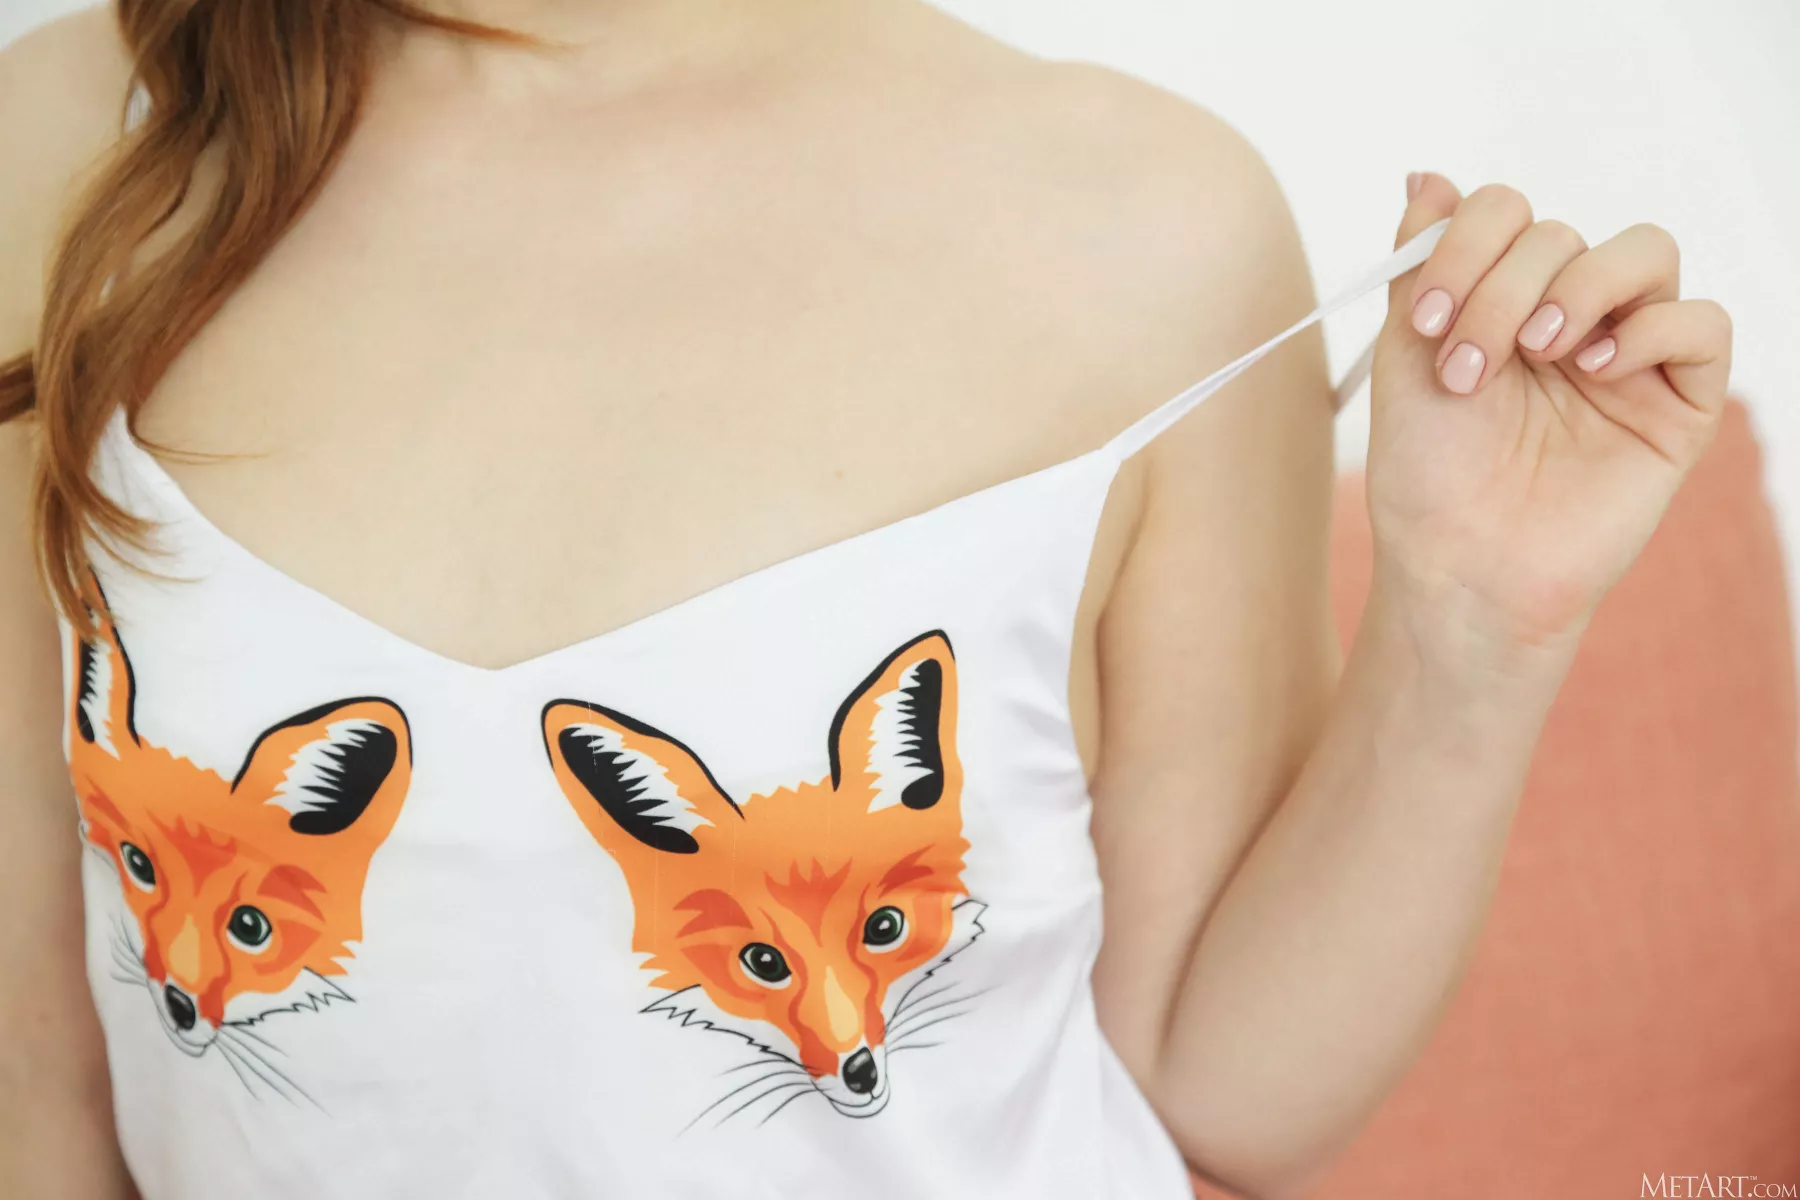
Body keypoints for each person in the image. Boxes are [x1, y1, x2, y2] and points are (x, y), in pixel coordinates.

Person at [0, 2, 1732, 1198]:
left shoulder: (1141, 220)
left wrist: (1474, 630)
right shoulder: (69, 140)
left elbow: (1228, 1095)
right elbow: (39, 1076)